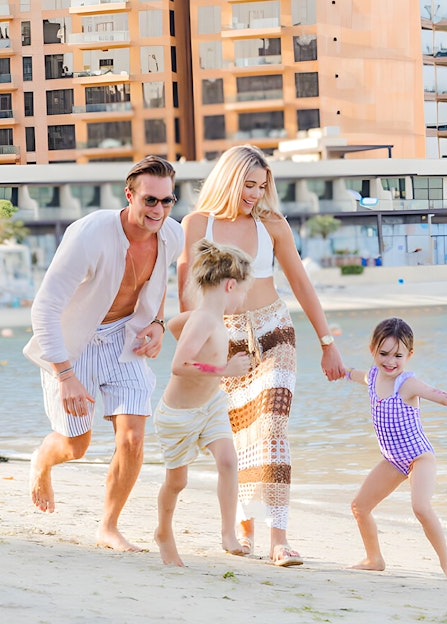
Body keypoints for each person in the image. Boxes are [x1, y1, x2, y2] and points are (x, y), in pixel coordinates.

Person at [177, 144, 345, 567]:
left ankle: (279, 538)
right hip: (224, 338)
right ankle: (246, 523)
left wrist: (327, 343)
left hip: (275, 333)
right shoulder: (198, 224)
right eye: (247, 184)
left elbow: (302, 284)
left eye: (261, 186)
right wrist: (189, 345)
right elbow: (187, 293)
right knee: (238, 437)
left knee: (270, 428)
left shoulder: (273, 225)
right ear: (229, 180)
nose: (254, 193)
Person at [23, 155, 184, 552]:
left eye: (167, 201)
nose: (158, 210)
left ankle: (108, 526)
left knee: (132, 438)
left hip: (124, 341)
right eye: (150, 200)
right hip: (72, 345)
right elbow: (43, 309)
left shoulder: (172, 235)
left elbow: (160, 283)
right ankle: (42, 460)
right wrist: (64, 375)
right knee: (75, 446)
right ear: (129, 195)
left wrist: (158, 324)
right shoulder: (89, 234)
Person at [345, 317, 447, 584]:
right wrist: (339, 369)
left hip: (419, 458)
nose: (390, 361)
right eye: (383, 353)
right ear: (372, 349)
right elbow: (353, 374)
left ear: (409, 354)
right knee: (359, 506)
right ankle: (374, 559)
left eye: (398, 355)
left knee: (420, 507)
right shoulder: (373, 375)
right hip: (392, 460)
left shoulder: (408, 384)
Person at [153, 240, 254, 566]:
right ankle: (163, 532)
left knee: (227, 461)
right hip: (179, 416)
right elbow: (178, 365)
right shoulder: (205, 321)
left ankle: (227, 533)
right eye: (242, 291)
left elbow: (172, 325)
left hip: (210, 405)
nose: (242, 299)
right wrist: (224, 369)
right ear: (229, 285)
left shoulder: (203, 317)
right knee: (177, 481)